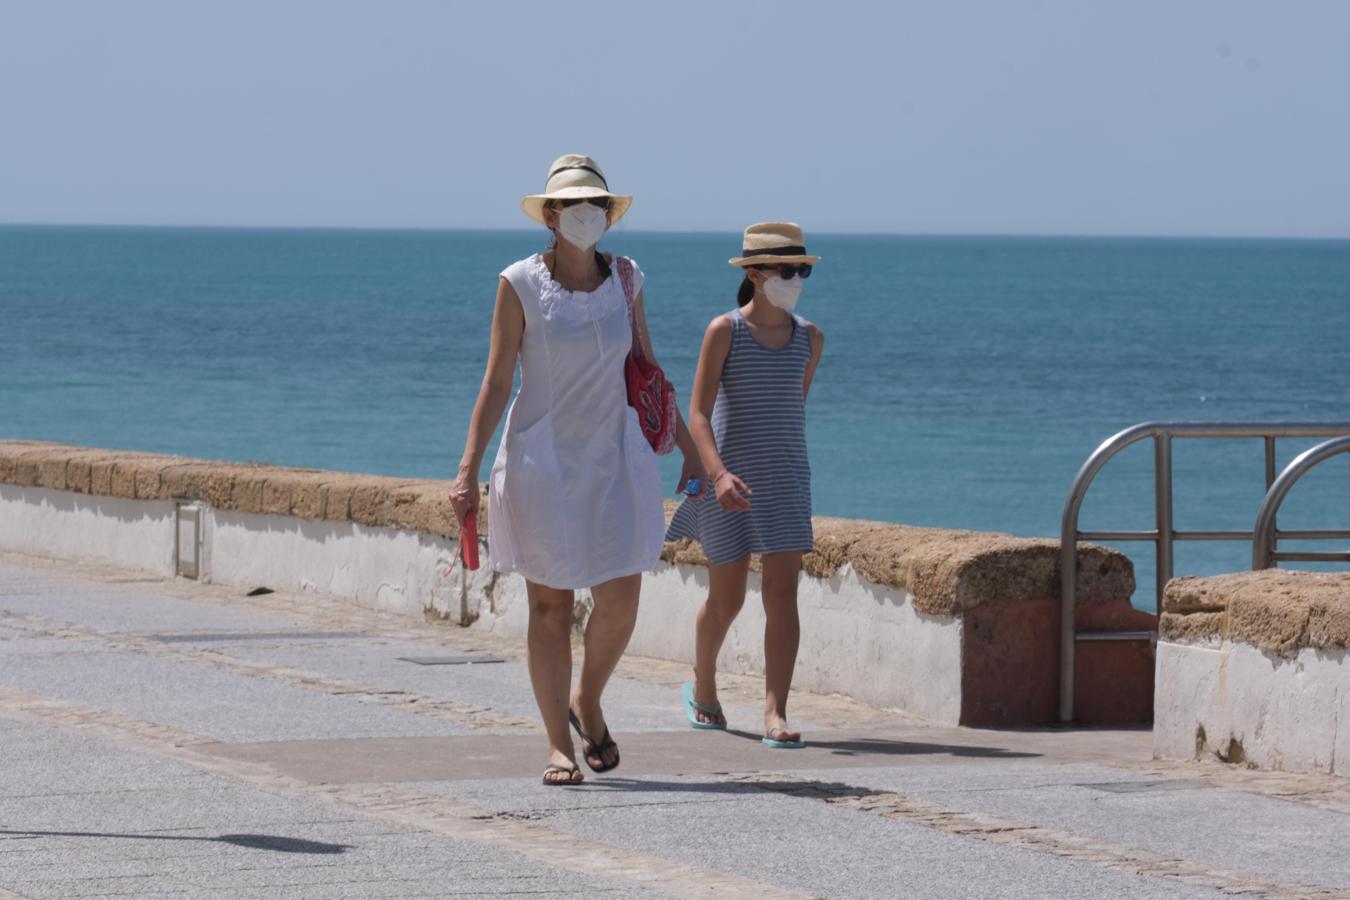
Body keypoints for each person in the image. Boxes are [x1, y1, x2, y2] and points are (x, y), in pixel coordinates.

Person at [449, 155, 702, 785]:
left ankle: (587, 700)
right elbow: (498, 377)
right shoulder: (519, 283)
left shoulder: (628, 278)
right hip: (542, 461)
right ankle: (558, 744)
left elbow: (645, 368)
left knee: (621, 600)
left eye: (598, 204)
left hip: (616, 458)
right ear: (553, 214)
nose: (587, 214)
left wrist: (693, 450)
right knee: (549, 608)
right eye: (575, 204)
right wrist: (467, 470)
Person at [666, 222, 824, 748]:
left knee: (784, 596)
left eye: (802, 270)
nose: (796, 278)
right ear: (755, 273)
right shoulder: (724, 331)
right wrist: (717, 473)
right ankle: (704, 685)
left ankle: (775, 711)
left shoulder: (811, 338)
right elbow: (698, 413)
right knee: (726, 600)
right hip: (725, 482)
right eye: (786, 269)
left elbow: (789, 411)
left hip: (786, 482)